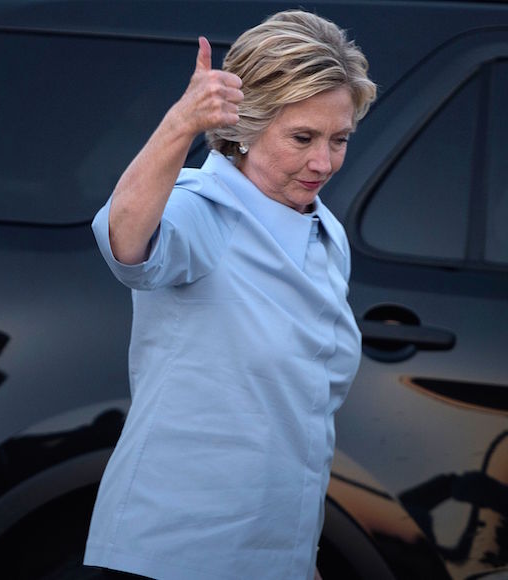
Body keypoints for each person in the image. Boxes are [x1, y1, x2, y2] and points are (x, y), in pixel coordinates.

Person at [83, 9, 377, 580]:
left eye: (339, 139)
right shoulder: (202, 208)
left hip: (272, 556)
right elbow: (125, 240)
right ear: (245, 125)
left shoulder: (326, 233)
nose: (324, 161)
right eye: (302, 138)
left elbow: (299, 420)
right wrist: (180, 125)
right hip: (168, 556)